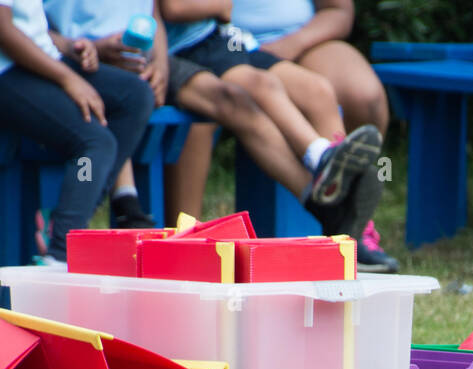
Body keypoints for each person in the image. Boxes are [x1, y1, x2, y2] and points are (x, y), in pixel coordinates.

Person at [0, 0, 156, 263]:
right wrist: (69, 79)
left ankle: (68, 218)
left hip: (28, 58)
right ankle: (60, 254)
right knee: (95, 141)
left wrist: (71, 47)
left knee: (134, 96)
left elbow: (26, 25)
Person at [159, 0, 381, 211]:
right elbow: (174, 8)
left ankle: (330, 169)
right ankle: (326, 177)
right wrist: (223, 5)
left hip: (230, 43)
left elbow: (338, 11)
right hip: (199, 47)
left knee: (316, 90)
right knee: (232, 99)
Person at [230, 0, 398, 272]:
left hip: (300, 40)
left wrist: (292, 43)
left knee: (366, 97)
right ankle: (341, 210)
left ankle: (356, 216)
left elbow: (338, 11)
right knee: (304, 92)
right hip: (232, 45)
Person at [43, 0, 170, 229]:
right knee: (97, 141)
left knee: (124, 107)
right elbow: (26, 28)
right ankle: (72, 223)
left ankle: (121, 202)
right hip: (70, 64)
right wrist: (85, 49)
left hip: (131, 75)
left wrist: (161, 64)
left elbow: (154, 14)